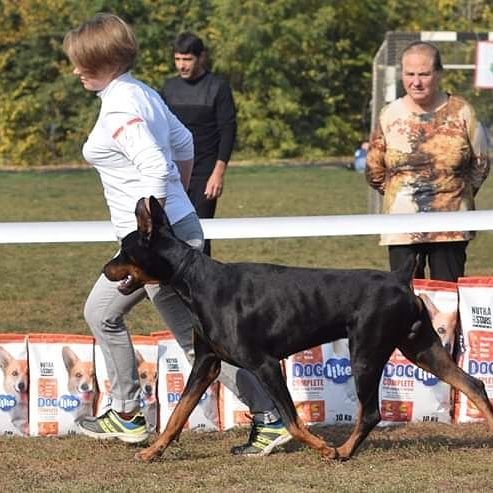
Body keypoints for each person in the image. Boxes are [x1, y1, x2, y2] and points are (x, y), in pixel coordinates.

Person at [63, 13, 291, 456]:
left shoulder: (120, 107)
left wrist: (154, 234)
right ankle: (127, 413)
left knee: (200, 343)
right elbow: (184, 144)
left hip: (159, 247)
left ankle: (269, 418)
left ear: (102, 60)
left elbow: (154, 165)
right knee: (106, 314)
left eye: (79, 62)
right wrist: (179, 205)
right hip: (170, 235)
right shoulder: (142, 92)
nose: (75, 71)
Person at [366, 41, 490, 282]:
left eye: (424, 74)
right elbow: (374, 169)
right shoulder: (389, 115)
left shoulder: (463, 112)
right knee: (405, 295)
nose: (416, 82)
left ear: (439, 74)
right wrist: (400, 194)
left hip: (451, 225)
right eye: (409, 74)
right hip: (402, 225)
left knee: (447, 297)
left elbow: (481, 163)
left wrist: (457, 193)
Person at [160, 32, 237, 256]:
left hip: (205, 172)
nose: (182, 65)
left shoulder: (217, 87)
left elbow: (228, 130)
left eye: (187, 59)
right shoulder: (169, 88)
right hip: (173, 171)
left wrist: (218, 173)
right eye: (178, 59)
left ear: (201, 57)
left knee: (199, 234)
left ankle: (202, 288)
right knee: (169, 232)